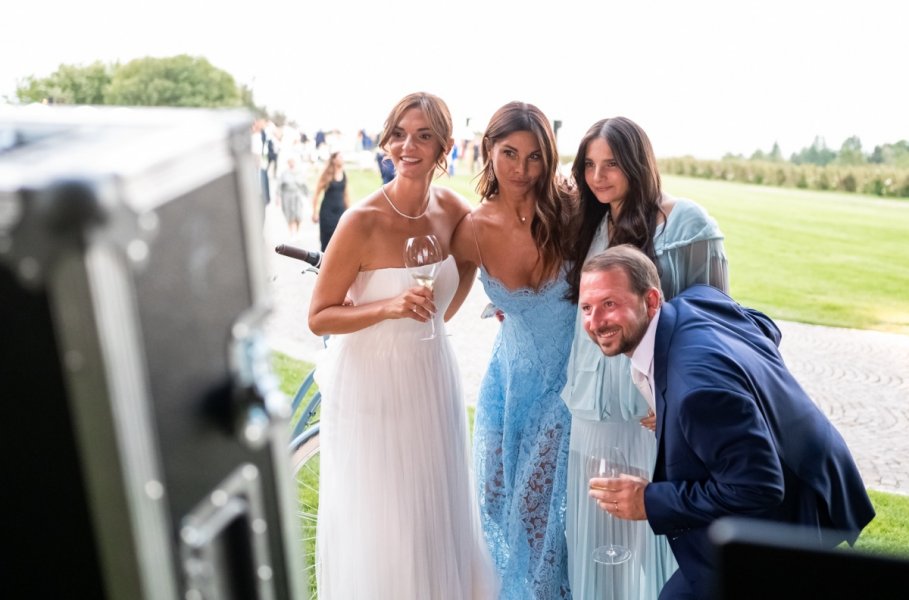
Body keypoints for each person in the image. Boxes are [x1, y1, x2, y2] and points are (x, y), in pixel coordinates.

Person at [580, 244, 876, 600]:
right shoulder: (699, 299)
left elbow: (758, 486)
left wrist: (648, 500)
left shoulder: (696, 392)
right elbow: (763, 327)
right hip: (804, 475)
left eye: (610, 304)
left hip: (786, 523)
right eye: (587, 308)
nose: (595, 322)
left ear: (652, 300)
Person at [308, 91, 497, 599]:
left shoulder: (454, 209)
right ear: (387, 142)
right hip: (371, 380)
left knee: (433, 504)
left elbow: (474, 260)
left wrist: (439, 315)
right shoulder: (360, 221)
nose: (408, 146)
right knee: (387, 516)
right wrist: (389, 309)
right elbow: (318, 316)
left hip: (431, 371)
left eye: (424, 135)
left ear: (445, 148)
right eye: (399, 134)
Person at [560, 116, 728, 599]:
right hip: (590, 409)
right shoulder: (591, 223)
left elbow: (714, 325)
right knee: (597, 551)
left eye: (611, 163)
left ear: (637, 162)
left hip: (652, 417)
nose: (598, 176)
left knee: (662, 551)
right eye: (589, 165)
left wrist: (679, 399)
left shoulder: (688, 225)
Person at [451, 101, 577, 598]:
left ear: (549, 158)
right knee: (504, 512)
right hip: (509, 388)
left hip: (569, 389)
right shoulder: (471, 230)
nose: (522, 170)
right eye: (509, 153)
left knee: (552, 518)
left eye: (534, 157)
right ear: (488, 149)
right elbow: (439, 304)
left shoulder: (572, 210)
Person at [311, 151, 349, 251]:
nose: (342, 159)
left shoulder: (344, 174)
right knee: (326, 242)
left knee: (340, 241)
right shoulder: (327, 175)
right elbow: (316, 194)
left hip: (340, 212)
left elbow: (345, 194)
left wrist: (349, 211)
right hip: (327, 213)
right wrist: (314, 212)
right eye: (340, 157)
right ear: (333, 159)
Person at [277, 155, 308, 237]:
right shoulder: (284, 173)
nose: (291, 164)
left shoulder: (299, 172)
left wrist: (307, 195)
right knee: (289, 214)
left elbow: (304, 185)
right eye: (290, 162)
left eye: (292, 162)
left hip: (297, 195)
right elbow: (279, 186)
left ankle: (297, 231)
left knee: (298, 214)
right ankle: (291, 233)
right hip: (287, 196)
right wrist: (278, 197)